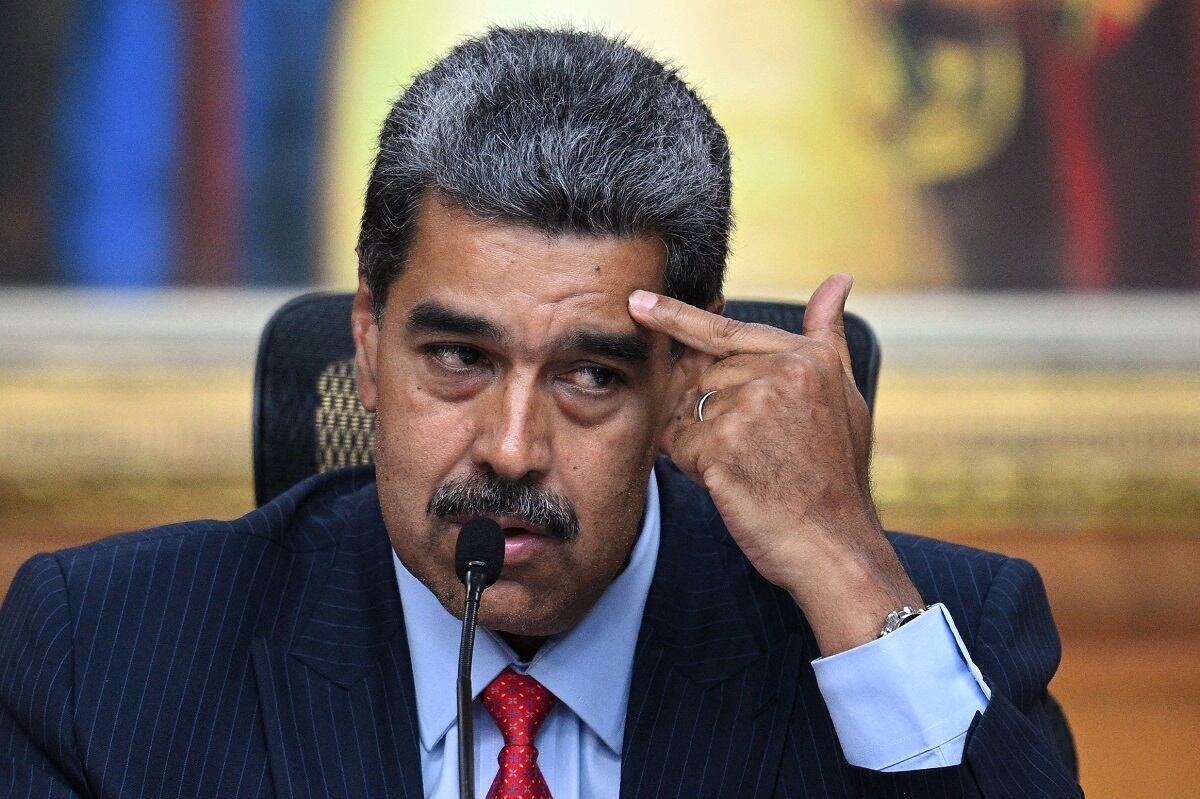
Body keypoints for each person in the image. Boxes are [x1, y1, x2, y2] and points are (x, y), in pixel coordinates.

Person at [0, 27, 1080, 798]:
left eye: (591, 376)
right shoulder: (105, 653)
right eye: (458, 358)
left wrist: (847, 570)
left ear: (682, 378)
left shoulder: (932, 639)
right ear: (369, 342)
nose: (512, 450)